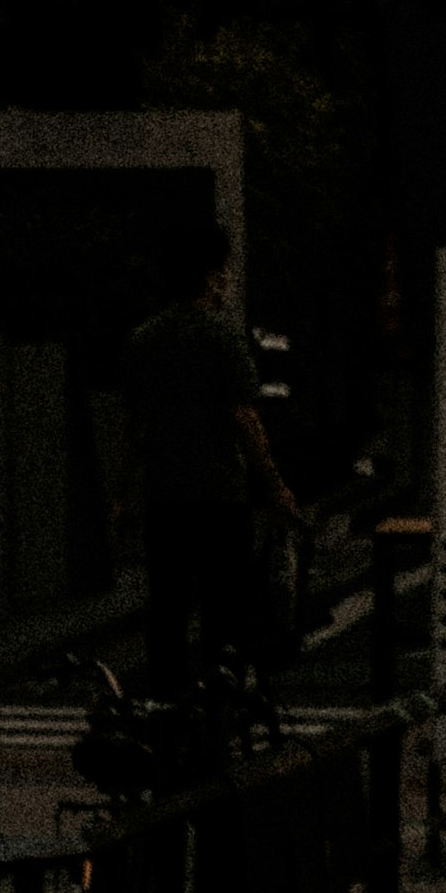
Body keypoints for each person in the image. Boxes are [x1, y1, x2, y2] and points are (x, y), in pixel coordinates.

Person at [122, 216, 290, 703]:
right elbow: (246, 420)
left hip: (163, 495)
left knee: (167, 610)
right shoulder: (223, 338)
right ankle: (219, 709)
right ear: (212, 274)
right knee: (224, 609)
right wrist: (276, 486)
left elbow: (132, 427)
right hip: (219, 496)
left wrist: (122, 496)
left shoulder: (144, 339)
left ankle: (165, 708)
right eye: (225, 270)